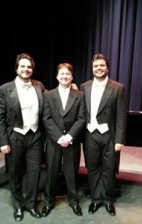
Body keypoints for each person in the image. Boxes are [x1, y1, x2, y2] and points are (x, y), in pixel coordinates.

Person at [0, 53, 45, 222]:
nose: (26, 69)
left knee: (34, 173)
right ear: (16, 69)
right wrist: (3, 142)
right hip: (15, 136)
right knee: (15, 173)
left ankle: (30, 204)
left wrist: (69, 86)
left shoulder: (39, 86)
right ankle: (17, 206)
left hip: (35, 136)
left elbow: (53, 97)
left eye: (29, 67)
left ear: (33, 69)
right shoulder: (4, 89)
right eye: (22, 66)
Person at [80, 53, 127, 216]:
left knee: (108, 168)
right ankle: (95, 199)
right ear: (92, 68)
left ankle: (107, 199)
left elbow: (121, 116)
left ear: (107, 68)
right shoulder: (84, 86)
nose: (98, 68)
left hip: (109, 135)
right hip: (90, 134)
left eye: (101, 65)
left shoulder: (118, 87)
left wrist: (119, 140)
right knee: (92, 168)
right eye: (95, 66)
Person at [41, 63, 85, 217]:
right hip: (54, 141)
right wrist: (59, 137)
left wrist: (69, 136)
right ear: (57, 76)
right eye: (62, 74)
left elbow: (81, 118)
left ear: (72, 77)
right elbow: (46, 118)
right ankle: (48, 202)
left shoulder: (80, 95)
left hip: (71, 140)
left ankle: (74, 202)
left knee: (71, 173)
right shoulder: (48, 95)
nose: (65, 76)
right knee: (51, 172)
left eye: (68, 74)